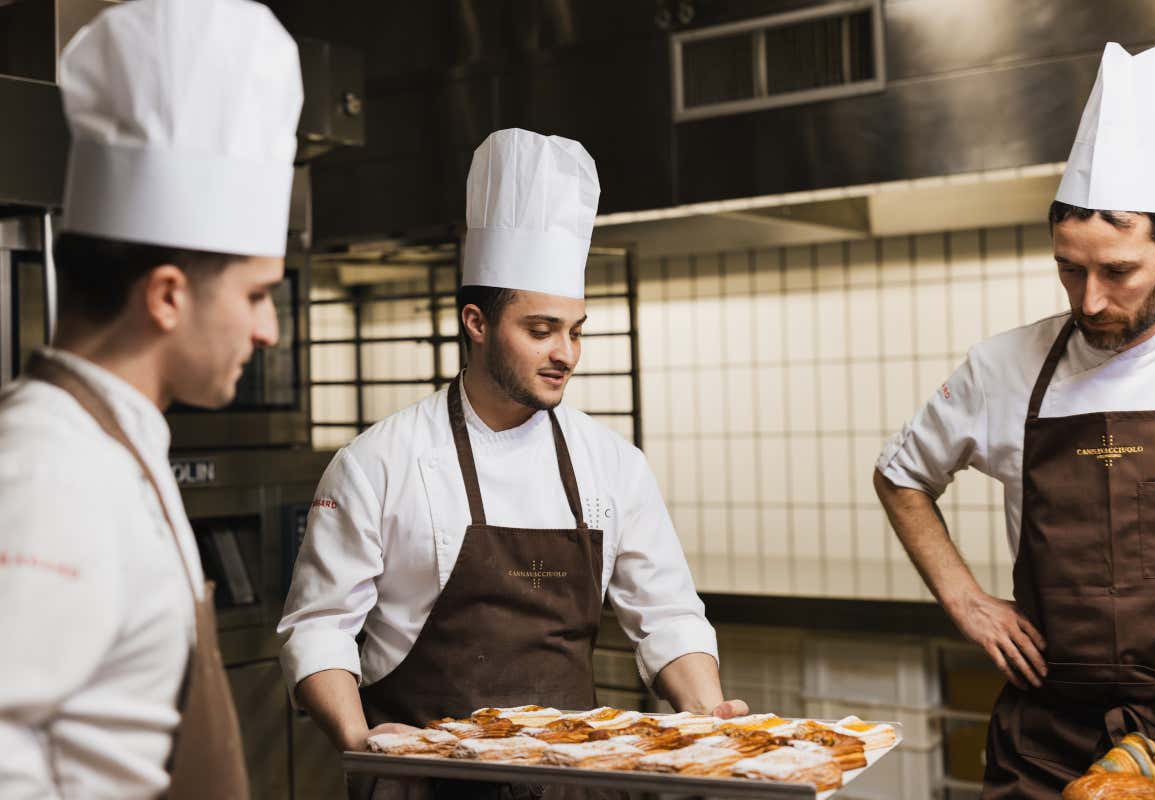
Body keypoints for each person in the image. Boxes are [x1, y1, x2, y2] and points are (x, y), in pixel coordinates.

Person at [279, 128, 744, 798]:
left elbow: (667, 614)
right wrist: (360, 742)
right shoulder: (378, 463)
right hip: (422, 785)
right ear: (475, 322)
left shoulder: (611, 465)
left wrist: (706, 712)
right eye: (540, 330)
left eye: (576, 331)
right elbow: (320, 629)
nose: (567, 354)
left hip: (569, 788)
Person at [873, 43, 1155, 797]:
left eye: (1118, 272)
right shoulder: (1003, 366)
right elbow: (900, 477)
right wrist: (966, 600)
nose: (1088, 301)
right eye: (1068, 268)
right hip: (1047, 732)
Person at [0, 1, 303, 797]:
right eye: (257, 294)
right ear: (167, 296)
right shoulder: (49, 471)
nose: (268, 330)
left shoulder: (118, 446)